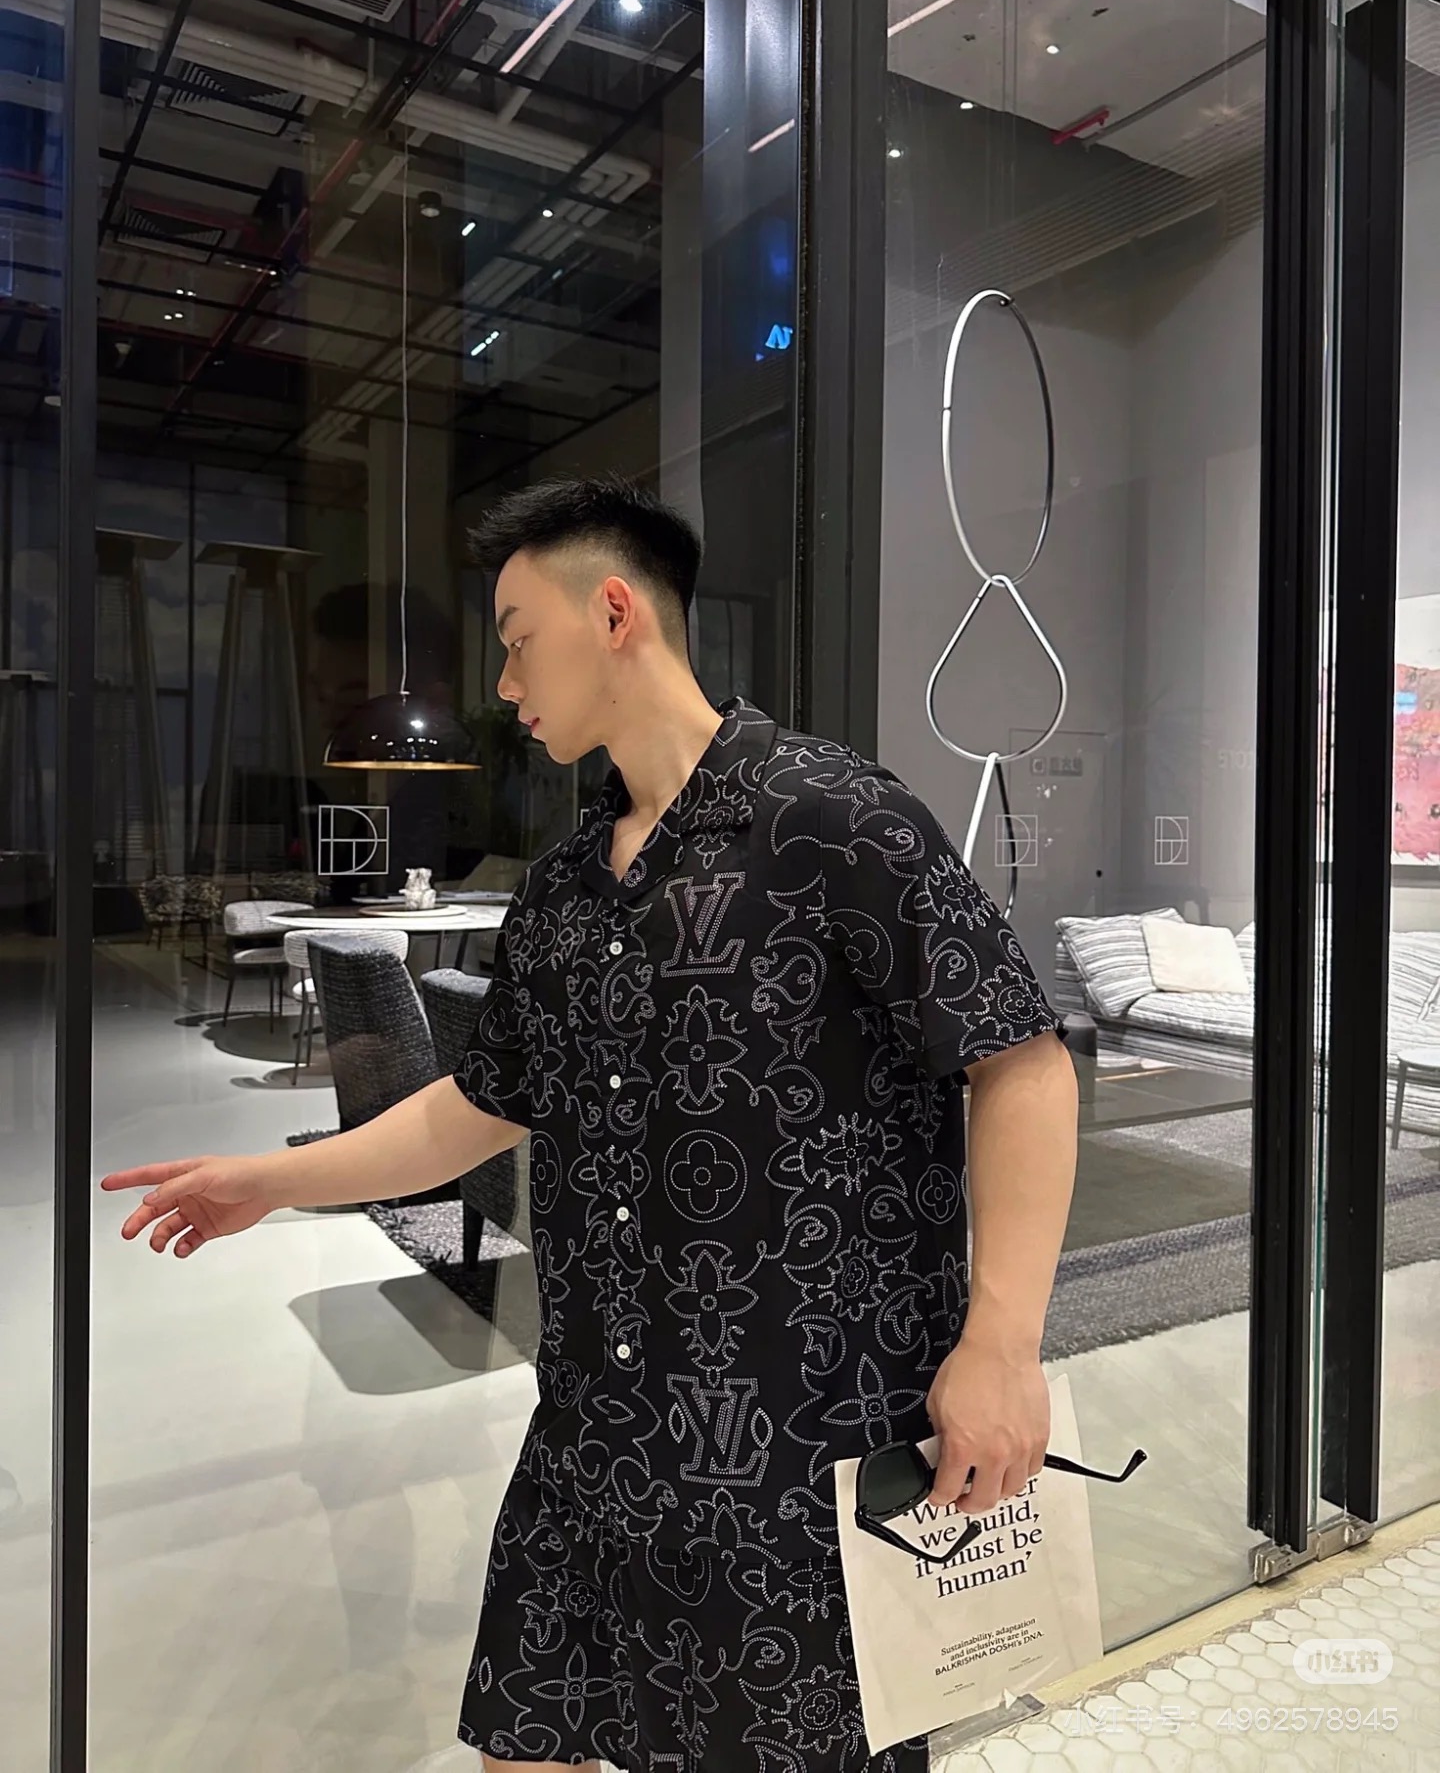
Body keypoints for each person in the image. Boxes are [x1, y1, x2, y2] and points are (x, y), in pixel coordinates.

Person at [102, 476, 1079, 1773]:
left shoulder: (832, 817)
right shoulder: (565, 888)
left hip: (797, 1452)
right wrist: (272, 1181)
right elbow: (479, 1104)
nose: (505, 683)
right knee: (526, 1744)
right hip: (593, 1429)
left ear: (614, 612)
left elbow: (1021, 1061)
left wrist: (1002, 1343)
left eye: (516, 639)